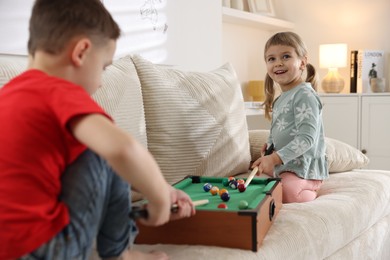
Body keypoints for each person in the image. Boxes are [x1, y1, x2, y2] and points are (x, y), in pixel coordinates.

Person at [0, 0, 195, 259]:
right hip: (45, 250)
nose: (102, 83)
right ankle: (119, 253)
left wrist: (158, 190)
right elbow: (122, 149)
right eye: (103, 67)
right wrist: (159, 197)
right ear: (81, 52)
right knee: (103, 145)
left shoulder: (10, 94)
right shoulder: (58, 91)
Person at [252, 32, 329, 203]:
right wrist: (270, 148)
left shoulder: (305, 95)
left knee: (287, 193)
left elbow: (307, 138)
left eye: (286, 56)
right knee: (254, 184)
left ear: (302, 62)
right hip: (285, 165)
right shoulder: (280, 99)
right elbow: (277, 129)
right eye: (271, 59)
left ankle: (311, 186)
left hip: (304, 168)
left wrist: (273, 158)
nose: (278, 63)